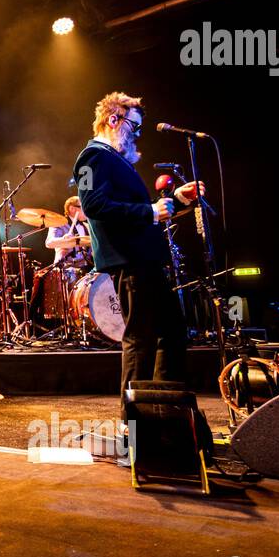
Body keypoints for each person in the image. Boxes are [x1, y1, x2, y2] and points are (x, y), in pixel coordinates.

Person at [73, 93, 204, 401]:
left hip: (144, 258)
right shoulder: (92, 157)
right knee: (140, 338)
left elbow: (138, 209)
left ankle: (160, 408)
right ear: (113, 120)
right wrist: (149, 211)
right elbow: (92, 205)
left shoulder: (116, 159)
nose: (138, 134)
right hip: (129, 260)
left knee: (171, 332)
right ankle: (133, 423)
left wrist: (178, 200)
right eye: (135, 126)